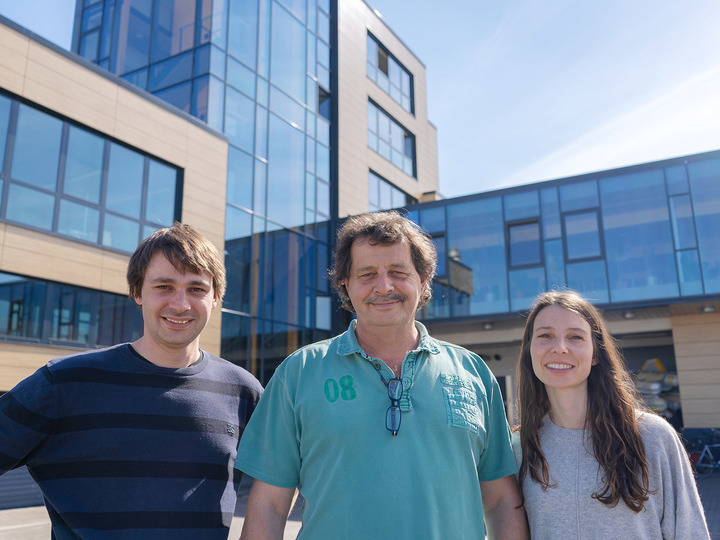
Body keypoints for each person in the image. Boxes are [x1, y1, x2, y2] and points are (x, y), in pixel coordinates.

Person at [235, 210, 528, 539]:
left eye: (398, 272)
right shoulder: (299, 372)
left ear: (423, 281)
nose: (383, 286)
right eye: (367, 274)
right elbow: (270, 506)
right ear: (346, 286)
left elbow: (501, 500)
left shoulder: (474, 373)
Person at [0, 222, 263, 538]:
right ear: (137, 292)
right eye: (164, 286)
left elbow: (281, 487)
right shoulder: (64, 383)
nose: (180, 304)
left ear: (216, 297)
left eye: (196, 288)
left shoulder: (244, 391)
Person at [513, 290, 709, 539]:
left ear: (596, 354)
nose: (560, 348)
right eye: (545, 336)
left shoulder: (654, 437)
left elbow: (690, 533)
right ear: (530, 350)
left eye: (575, 337)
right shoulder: (520, 448)